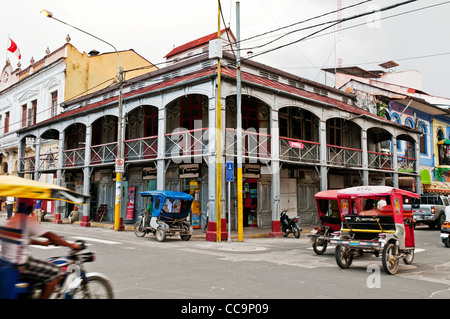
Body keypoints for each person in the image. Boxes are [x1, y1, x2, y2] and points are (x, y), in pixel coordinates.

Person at [1, 198, 81, 299]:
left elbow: (23, 240)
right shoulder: (26, 220)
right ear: (31, 208)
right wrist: (72, 245)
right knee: (56, 272)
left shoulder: (12, 220)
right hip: (21, 265)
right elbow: (50, 236)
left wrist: (42, 243)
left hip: (5, 262)